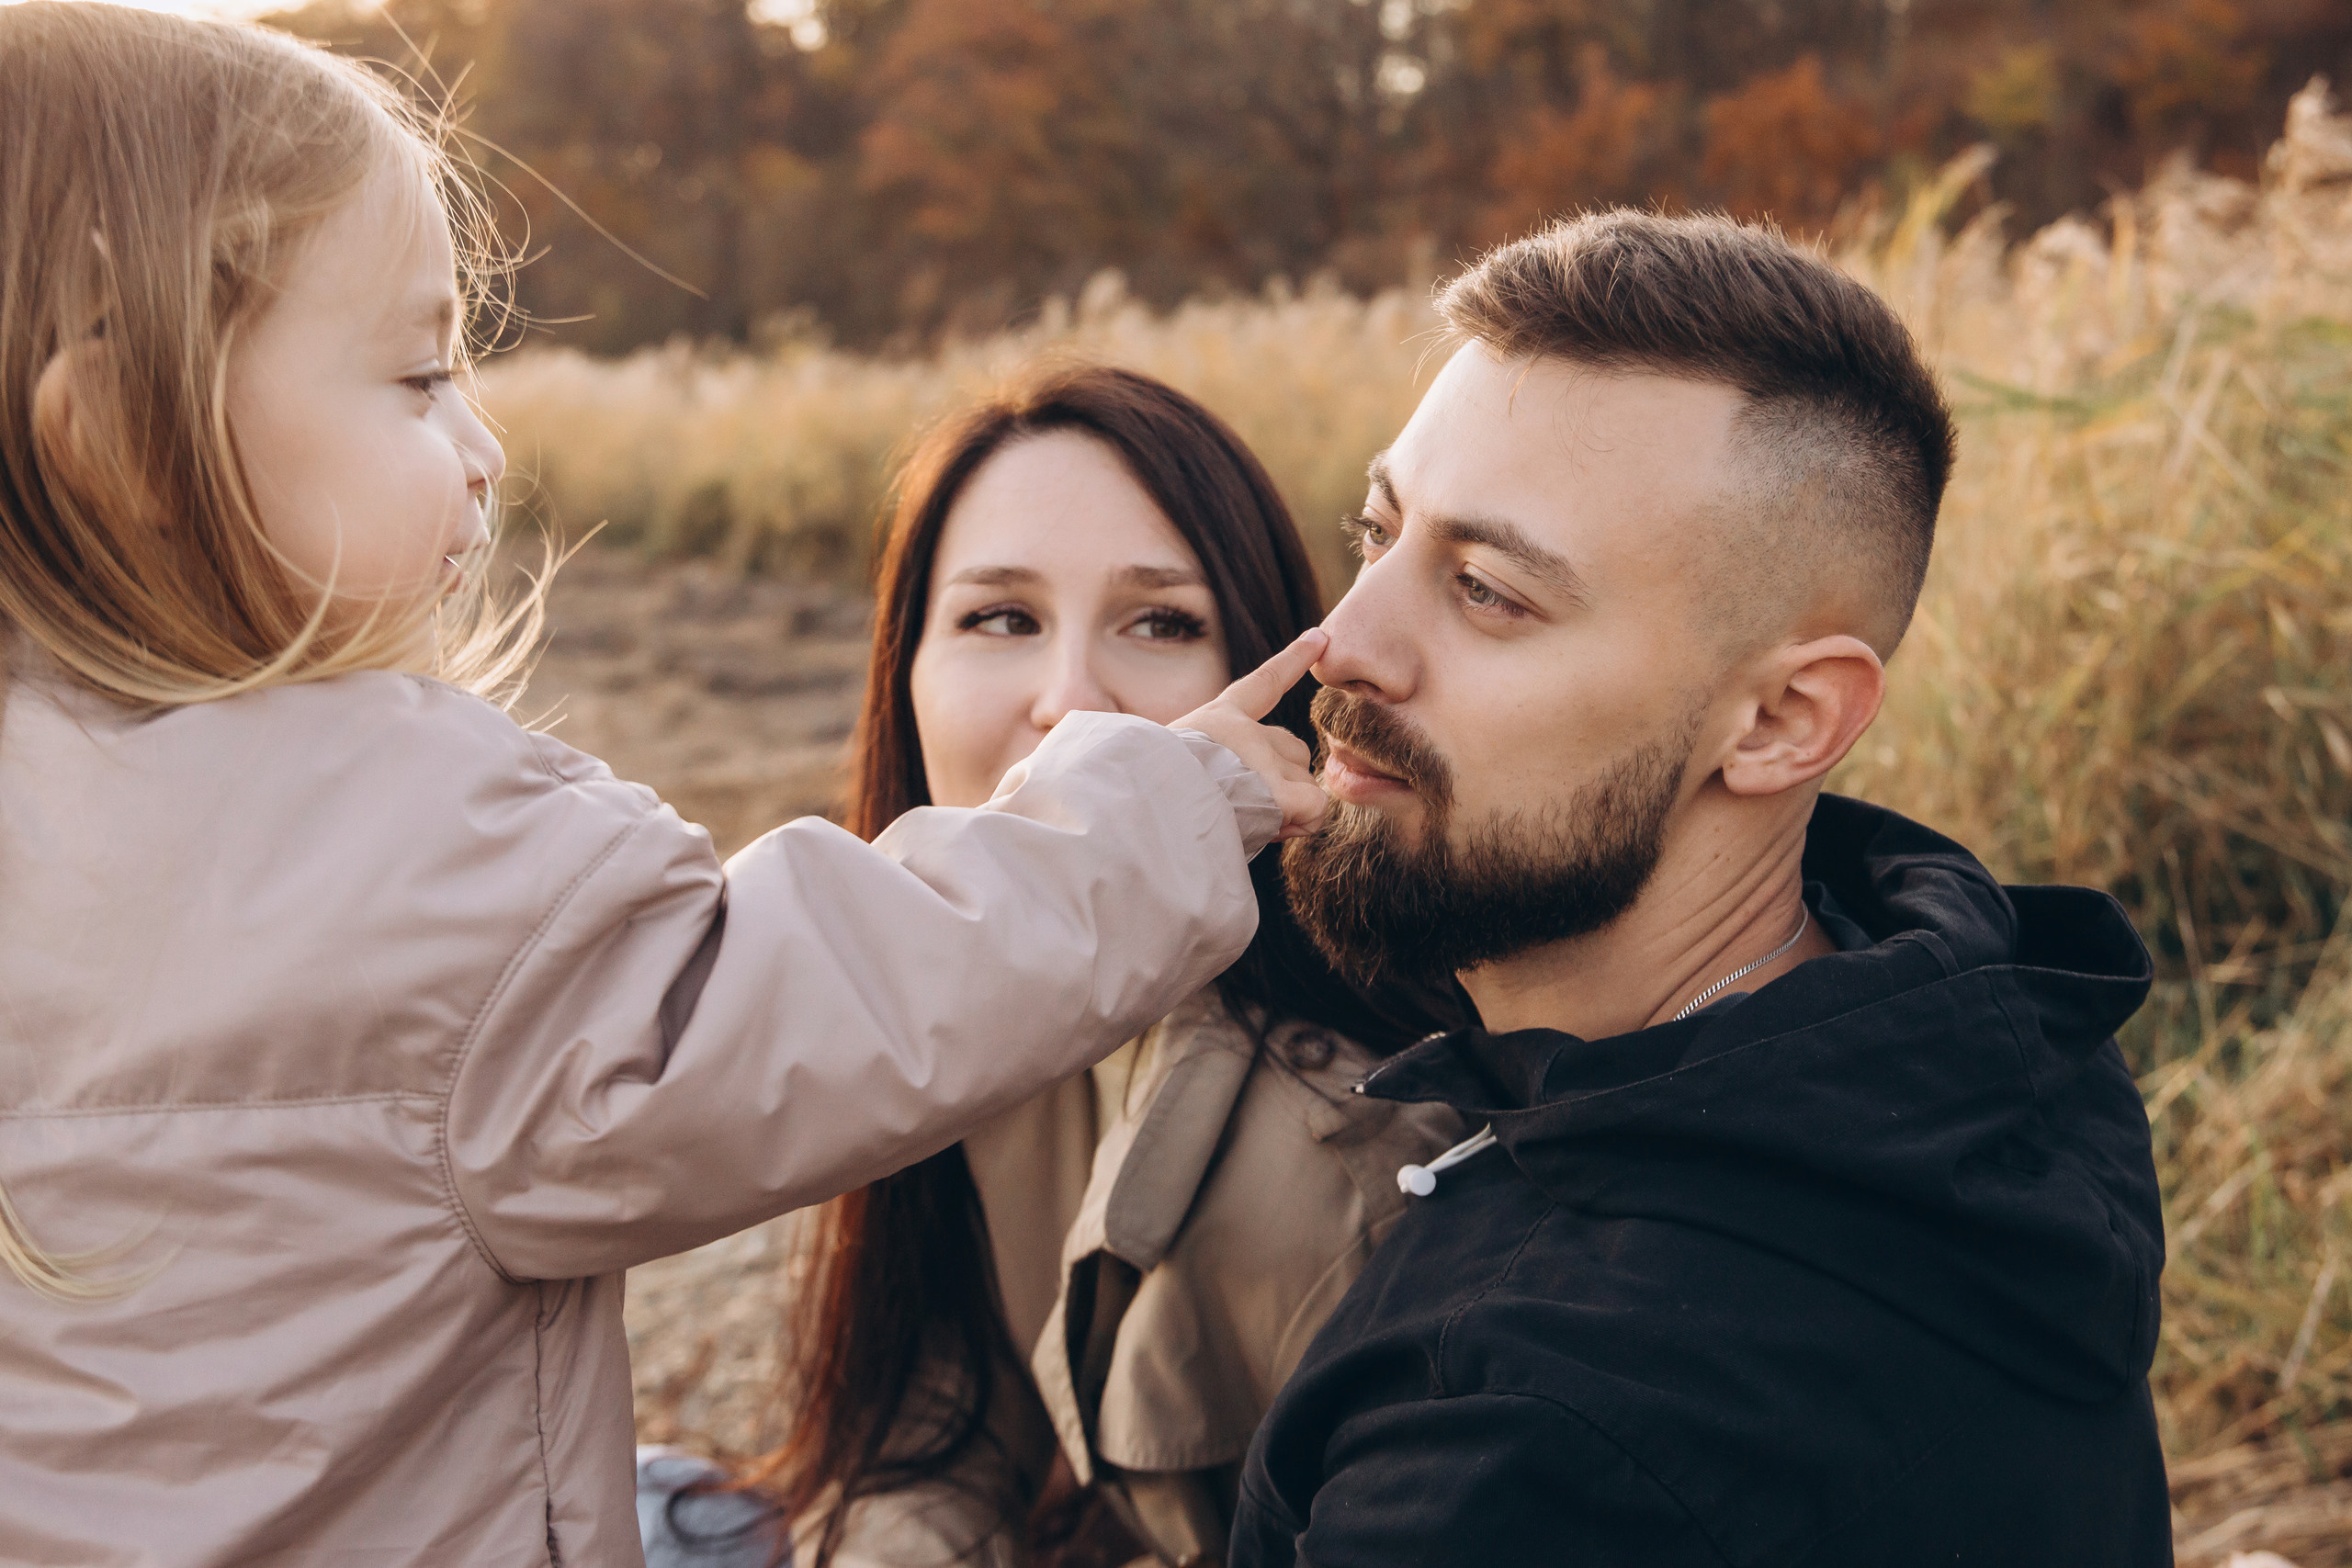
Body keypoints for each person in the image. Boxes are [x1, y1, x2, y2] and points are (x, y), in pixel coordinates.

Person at [0, 10, 1331, 1564]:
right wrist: (1160, 812)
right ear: (128, 451)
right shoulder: (413, 856)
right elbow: (824, 1001)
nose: (486, 449)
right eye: (422, 376)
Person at [1229, 211, 2172, 1566]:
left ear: (1786, 722)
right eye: (1375, 536)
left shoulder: (1539, 1448)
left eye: (1488, 591)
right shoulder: (1966, 1057)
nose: (1344, 643)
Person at [636, 364, 1466, 1568]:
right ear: (903, 673)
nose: (1071, 705)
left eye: (1162, 623)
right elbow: (942, 1414)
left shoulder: (1343, 1172)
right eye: (1001, 619)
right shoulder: (946, 997)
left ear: (1275, 689)